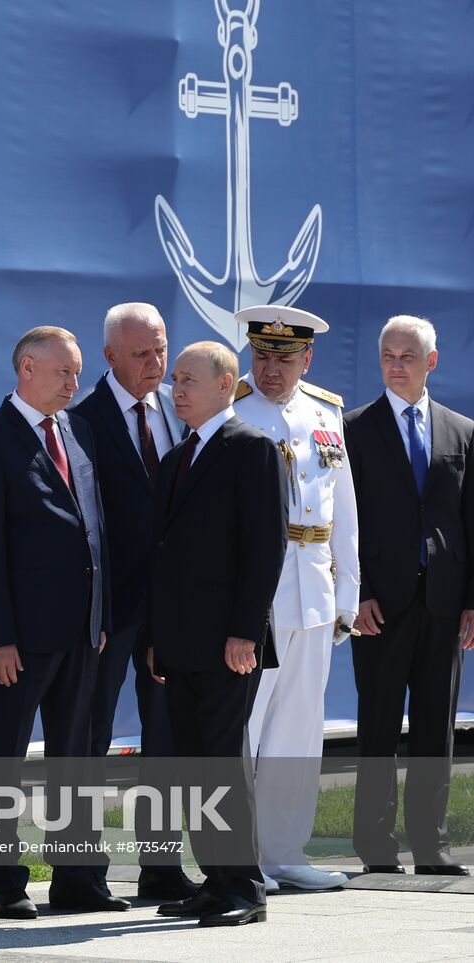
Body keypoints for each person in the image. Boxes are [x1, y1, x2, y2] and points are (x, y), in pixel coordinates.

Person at [0, 325, 112, 919]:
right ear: (25, 368)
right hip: (19, 639)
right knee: (7, 760)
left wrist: (100, 615)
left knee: (76, 758)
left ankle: (76, 879)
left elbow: (96, 529)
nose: (74, 383)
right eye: (62, 372)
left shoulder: (77, 429)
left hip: (80, 631)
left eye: (76, 372)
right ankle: (6, 882)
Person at [148, 341, 286, 927]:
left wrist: (244, 632)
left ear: (227, 385)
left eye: (189, 380)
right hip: (181, 642)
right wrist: (157, 635)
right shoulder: (180, 455)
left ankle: (244, 888)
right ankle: (215, 879)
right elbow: (165, 556)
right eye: (174, 379)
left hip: (229, 642)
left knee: (224, 762)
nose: (176, 389)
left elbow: (264, 548)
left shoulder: (251, 448)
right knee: (195, 764)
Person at [231, 305, 357, 892]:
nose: (270, 370)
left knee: (299, 731)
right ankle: (238, 857)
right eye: (261, 356)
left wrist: (348, 594)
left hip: (314, 591)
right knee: (246, 728)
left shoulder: (326, 414)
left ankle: (284, 852)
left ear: (307, 360)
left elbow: (347, 516)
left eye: (283, 359)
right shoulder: (231, 410)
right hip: (255, 598)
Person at [68, 303, 192, 901]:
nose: (155, 363)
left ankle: (162, 867)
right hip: (108, 609)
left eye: (161, 350)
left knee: (166, 738)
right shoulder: (80, 421)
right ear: (110, 356)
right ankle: (80, 874)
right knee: (87, 737)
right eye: (141, 354)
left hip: (169, 609)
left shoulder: (178, 408)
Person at [346, 315, 474, 876]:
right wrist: (360, 593)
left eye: (407, 356)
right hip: (380, 604)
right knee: (376, 725)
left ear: (432, 361)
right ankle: (375, 846)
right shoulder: (353, 429)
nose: (396, 366)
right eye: (388, 356)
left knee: (434, 727)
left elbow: (469, 520)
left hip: (444, 603)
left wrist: (471, 599)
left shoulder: (461, 431)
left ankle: (432, 844)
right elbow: (343, 524)